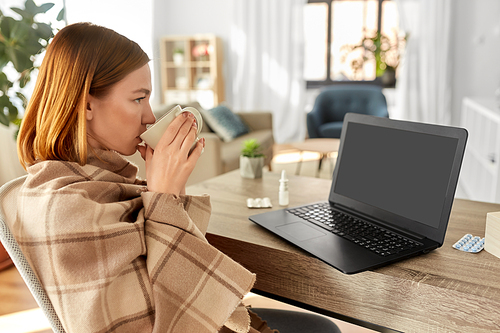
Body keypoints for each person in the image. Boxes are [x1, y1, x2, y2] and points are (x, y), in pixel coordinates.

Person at [15, 22, 340, 333]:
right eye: (138, 98)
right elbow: (156, 321)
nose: (150, 116)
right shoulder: (64, 206)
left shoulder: (102, 180)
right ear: (86, 103)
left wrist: (172, 192)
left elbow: (161, 263)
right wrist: (162, 197)